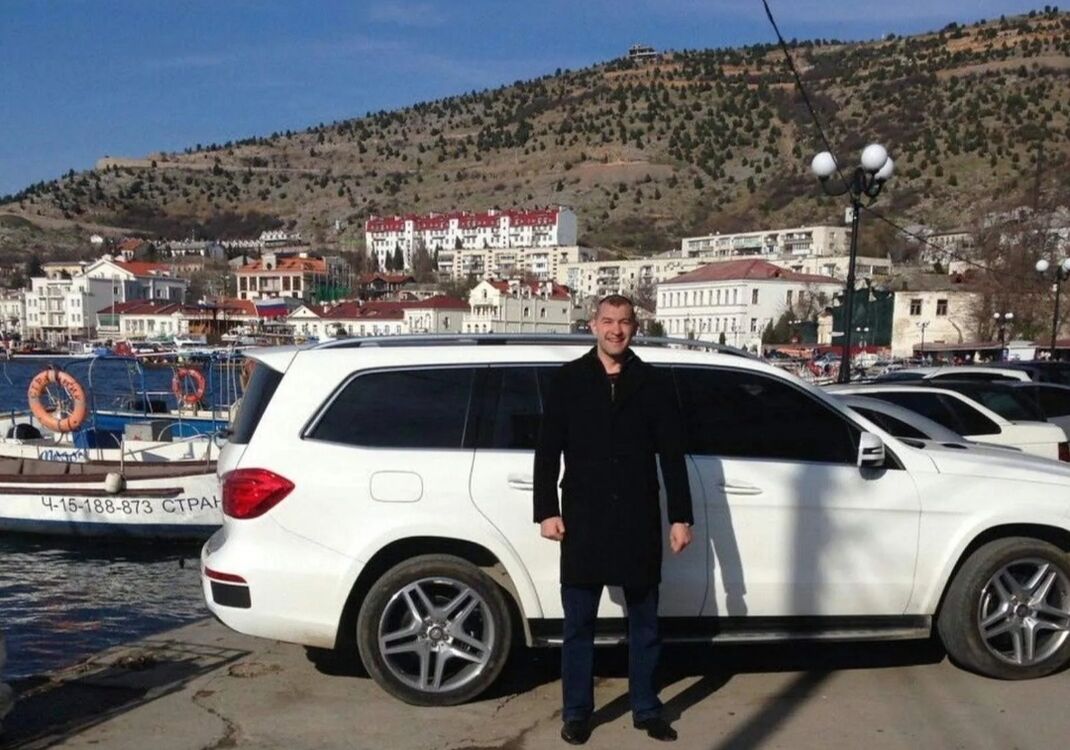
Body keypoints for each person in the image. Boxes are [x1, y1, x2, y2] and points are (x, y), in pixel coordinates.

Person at [533, 294, 694, 745]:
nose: (616, 330)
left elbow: (673, 455)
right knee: (578, 625)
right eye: (608, 321)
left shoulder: (653, 383)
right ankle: (577, 713)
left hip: (638, 517)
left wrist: (681, 517)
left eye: (624, 322)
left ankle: (647, 708)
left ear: (634, 328)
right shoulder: (568, 380)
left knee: (645, 624)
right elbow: (547, 450)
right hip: (583, 519)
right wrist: (546, 510)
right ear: (593, 325)